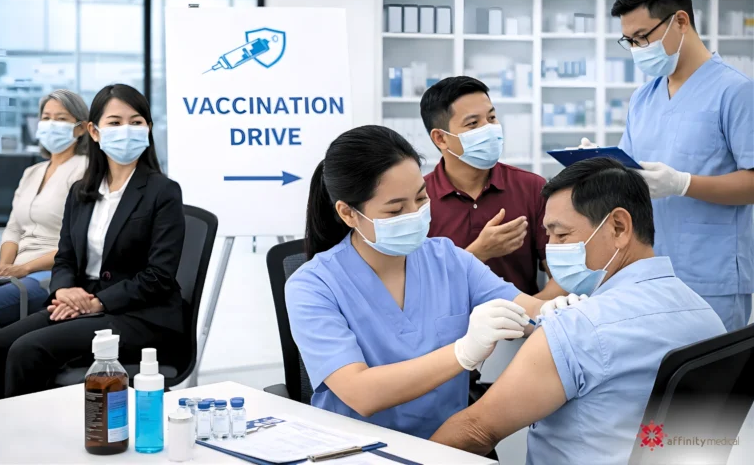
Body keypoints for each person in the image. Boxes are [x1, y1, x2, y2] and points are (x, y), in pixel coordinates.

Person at [285, 125, 583, 439]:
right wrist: (464, 351)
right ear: (348, 213)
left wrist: (560, 310)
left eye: (420, 197)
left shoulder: (447, 258)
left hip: (450, 444)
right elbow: (361, 393)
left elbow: (525, 310)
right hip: (359, 450)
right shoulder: (313, 286)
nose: (415, 214)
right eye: (396, 209)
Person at [430, 158, 726, 464]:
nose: (551, 247)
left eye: (561, 235)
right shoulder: (708, 317)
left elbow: (476, 431)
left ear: (618, 227)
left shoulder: (577, 328)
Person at [0, 84, 185, 401]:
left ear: (148, 128)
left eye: (136, 122)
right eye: (115, 123)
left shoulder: (163, 191)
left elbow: (158, 276)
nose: (126, 130)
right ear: (94, 131)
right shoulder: (82, 192)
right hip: (83, 303)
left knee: (28, 350)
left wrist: (96, 303)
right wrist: (63, 290)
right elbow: (65, 258)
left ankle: (28, 441)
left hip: (142, 316)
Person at [612, 0, 754, 331]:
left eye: (643, 37)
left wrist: (683, 183)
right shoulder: (644, 98)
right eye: (629, 41)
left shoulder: (736, 92)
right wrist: (597, 166)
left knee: (710, 383)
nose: (637, 49)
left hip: (712, 277)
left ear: (680, 20)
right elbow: (628, 176)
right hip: (650, 273)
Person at [420, 76, 565, 299]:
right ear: (441, 138)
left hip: (524, 326)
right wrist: (478, 253)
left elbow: (563, 279)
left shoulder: (532, 188)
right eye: (473, 124)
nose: (489, 129)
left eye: (492, 117)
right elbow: (415, 290)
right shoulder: (418, 200)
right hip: (450, 331)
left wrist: (522, 317)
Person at [0, 89, 89, 335]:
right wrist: (3, 269)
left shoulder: (85, 170)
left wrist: (23, 269)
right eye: (46, 117)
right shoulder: (32, 172)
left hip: (49, 275)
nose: (51, 124)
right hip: (17, 272)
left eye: (61, 119)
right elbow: (13, 229)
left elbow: (77, 243)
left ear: (81, 128)